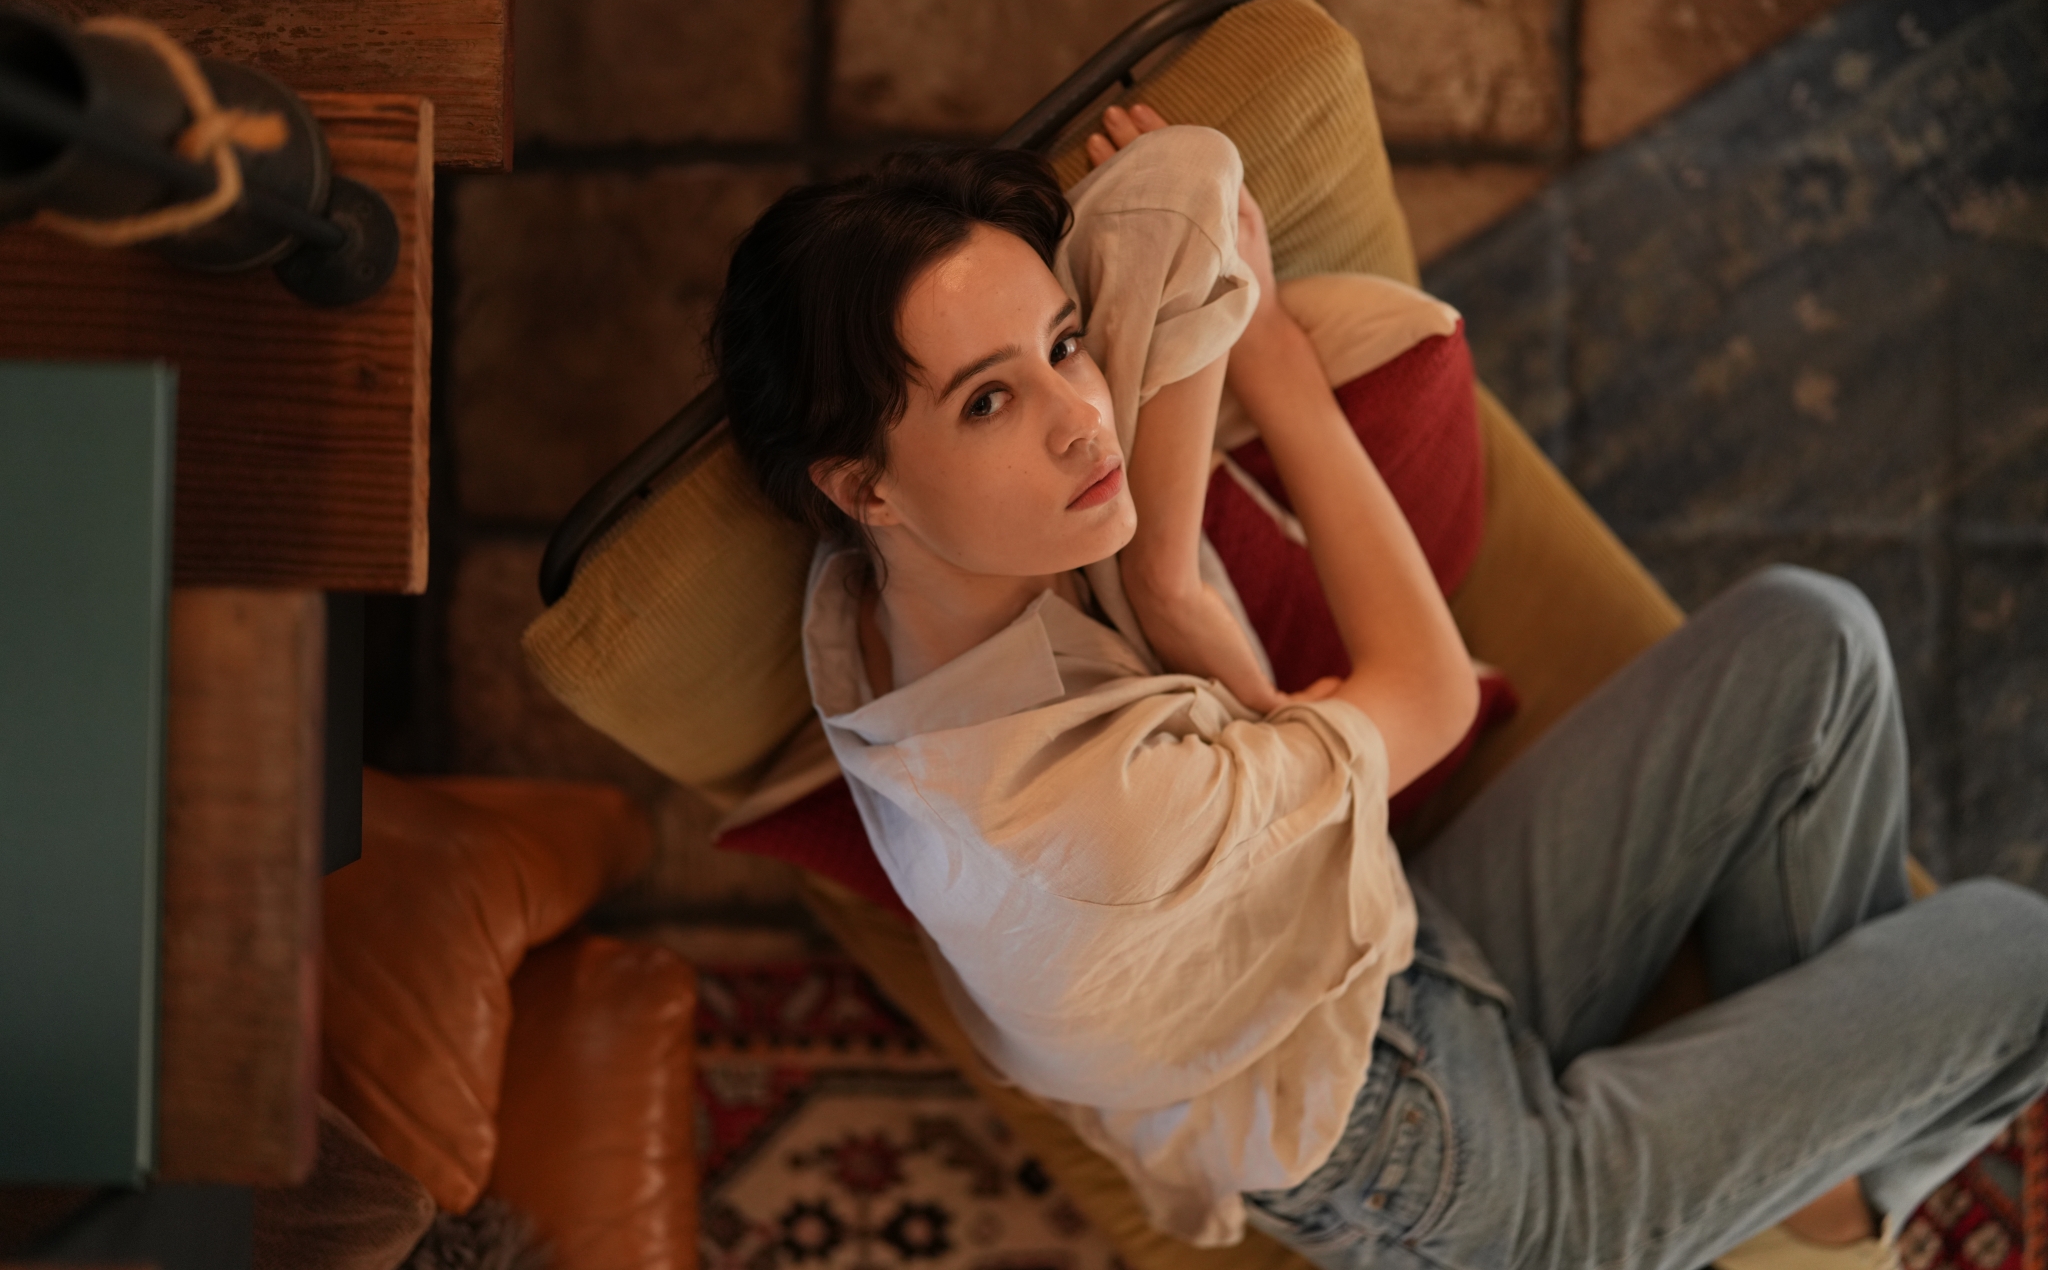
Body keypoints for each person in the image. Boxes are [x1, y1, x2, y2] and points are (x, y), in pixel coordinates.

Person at [708, 102, 2048, 1270]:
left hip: (1367, 948)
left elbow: (1182, 182)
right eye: (987, 403)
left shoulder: (885, 590)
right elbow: (1426, 697)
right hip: (1422, 1166)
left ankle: (1798, 1168)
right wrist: (1277, 366)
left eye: (1063, 342)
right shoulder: (1085, 816)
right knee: (2021, 952)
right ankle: (1825, 1214)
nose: (1085, 418)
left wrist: (1167, 576)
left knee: (1814, 640)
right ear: (862, 483)